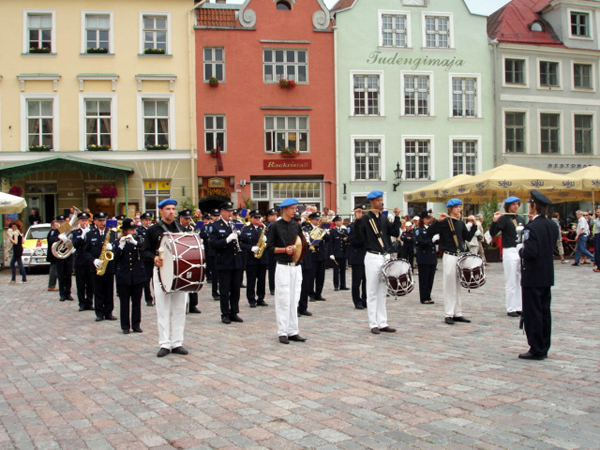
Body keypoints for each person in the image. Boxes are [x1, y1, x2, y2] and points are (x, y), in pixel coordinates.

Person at [141, 199, 189, 357]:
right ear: (161, 211)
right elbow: (145, 251)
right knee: (163, 309)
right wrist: (154, 258)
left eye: (173, 209)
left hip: (179, 273)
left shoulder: (181, 228)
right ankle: (164, 343)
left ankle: (177, 342)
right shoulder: (153, 230)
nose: (171, 212)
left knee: (180, 308)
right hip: (161, 272)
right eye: (168, 209)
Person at [518, 190, 559, 360]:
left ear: (534, 206)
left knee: (533, 312)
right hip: (546, 275)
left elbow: (531, 252)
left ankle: (536, 347)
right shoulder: (552, 225)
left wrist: (521, 250)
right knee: (544, 312)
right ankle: (544, 345)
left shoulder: (532, 227)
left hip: (532, 275)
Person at [355, 191, 401, 334]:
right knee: (372, 291)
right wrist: (357, 221)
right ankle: (373, 323)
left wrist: (397, 217)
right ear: (372, 202)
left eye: (381, 200)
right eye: (378, 200)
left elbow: (394, 233)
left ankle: (382, 322)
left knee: (382, 290)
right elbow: (358, 239)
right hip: (372, 256)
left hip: (384, 256)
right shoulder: (365, 218)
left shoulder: (383, 218)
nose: (381, 203)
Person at [427, 199, 477, 325]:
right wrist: (436, 222)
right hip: (449, 255)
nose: (459, 209)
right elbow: (429, 232)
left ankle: (457, 313)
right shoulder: (445, 222)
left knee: (458, 285)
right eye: (456, 207)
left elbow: (468, 237)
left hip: (459, 256)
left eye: (460, 207)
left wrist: (474, 224)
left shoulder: (460, 223)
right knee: (449, 285)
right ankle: (448, 313)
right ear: (450, 209)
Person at [266, 198, 307, 344]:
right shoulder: (275, 226)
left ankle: (293, 330)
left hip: (296, 266)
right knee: (283, 299)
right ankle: (282, 331)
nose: (294, 211)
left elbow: (300, 244)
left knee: (294, 299)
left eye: (295, 208)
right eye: (292, 208)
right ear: (284, 209)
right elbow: (269, 248)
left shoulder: (296, 225)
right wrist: (284, 249)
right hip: (283, 265)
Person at [490, 196, 526, 317]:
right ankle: (510, 307)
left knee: (520, 280)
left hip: (520, 249)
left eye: (517, 204)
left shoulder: (520, 218)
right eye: (513, 204)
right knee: (511, 280)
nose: (516, 206)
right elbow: (493, 233)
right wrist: (495, 221)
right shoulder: (504, 219)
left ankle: (519, 306)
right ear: (508, 206)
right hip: (509, 250)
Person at [210, 201, 244, 324]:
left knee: (236, 289)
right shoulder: (215, 226)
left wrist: (240, 235)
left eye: (231, 211)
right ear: (222, 212)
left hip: (236, 261)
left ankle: (234, 312)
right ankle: (225, 314)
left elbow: (241, 241)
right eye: (228, 211)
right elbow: (213, 244)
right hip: (224, 262)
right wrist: (227, 239)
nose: (231, 213)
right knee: (224, 290)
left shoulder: (234, 224)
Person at [83, 212, 118, 321]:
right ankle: (99, 313)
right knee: (98, 290)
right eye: (100, 220)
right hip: (97, 266)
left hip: (109, 266)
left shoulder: (112, 233)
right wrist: (93, 260)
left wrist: (112, 247)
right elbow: (85, 252)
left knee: (109, 290)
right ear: (95, 222)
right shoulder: (90, 234)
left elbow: (117, 249)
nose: (102, 222)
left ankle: (109, 312)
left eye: (104, 220)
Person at [114, 218, 147, 334]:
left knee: (137, 302)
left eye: (133, 229)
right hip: (124, 276)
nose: (132, 232)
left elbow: (145, 251)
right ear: (124, 230)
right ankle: (125, 326)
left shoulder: (139, 239)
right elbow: (114, 258)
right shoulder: (118, 241)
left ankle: (136, 324)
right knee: (124, 302)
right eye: (129, 230)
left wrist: (136, 243)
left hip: (137, 275)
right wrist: (120, 246)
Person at [240, 209, 269, 308]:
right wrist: (250, 248)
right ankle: (251, 299)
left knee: (262, 280)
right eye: (255, 217)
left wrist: (267, 240)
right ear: (251, 218)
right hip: (251, 258)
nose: (257, 219)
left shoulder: (264, 228)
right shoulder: (245, 229)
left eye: (259, 217)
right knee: (251, 280)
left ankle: (261, 298)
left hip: (262, 258)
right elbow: (241, 244)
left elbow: (269, 243)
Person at [178, 209, 201, 314]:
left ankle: (193, 304)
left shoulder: (191, 228)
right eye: (186, 218)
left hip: (192, 256)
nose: (188, 221)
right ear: (181, 218)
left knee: (193, 279)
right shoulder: (177, 228)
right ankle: (182, 305)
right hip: (181, 257)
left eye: (189, 218)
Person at [71, 212, 94, 311]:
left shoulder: (92, 231)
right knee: (80, 283)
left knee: (91, 283)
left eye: (86, 220)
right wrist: (82, 236)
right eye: (82, 220)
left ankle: (89, 302)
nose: (84, 222)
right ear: (79, 221)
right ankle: (82, 303)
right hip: (80, 259)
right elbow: (75, 244)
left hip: (89, 260)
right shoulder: (75, 233)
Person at [48, 215, 74, 302]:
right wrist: (58, 237)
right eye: (60, 222)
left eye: (63, 222)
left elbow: (74, 239)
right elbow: (50, 239)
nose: (61, 223)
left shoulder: (69, 231)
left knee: (68, 275)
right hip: (59, 256)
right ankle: (62, 294)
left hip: (68, 255)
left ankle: (68, 293)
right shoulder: (54, 231)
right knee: (61, 275)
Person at [305, 212, 329, 301]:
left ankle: (318, 294)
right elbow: (308, 239)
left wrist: (325, 233)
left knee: (320, 276)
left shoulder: (322, 228)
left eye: (318, 219)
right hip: (312, 255)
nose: (317, 221)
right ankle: (311, 294)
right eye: (316, 219)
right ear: (311, 219)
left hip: (321, 254)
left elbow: (327, 240)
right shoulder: (307, 228)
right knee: (311, 276)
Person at [415, 211, 436, 305]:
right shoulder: (419, 230)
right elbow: (420, 242)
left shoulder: (431, 229)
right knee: (424, 278)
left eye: (429, 218)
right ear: (422, 219)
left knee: (430, 278)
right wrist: (431, 240)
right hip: (424, 256)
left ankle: (428, 295)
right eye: (427, 218)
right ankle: (424, 297)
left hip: (431, 256)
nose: (429, 220)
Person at [348, 205, 367, 310]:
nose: (362, 215)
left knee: (367, 281)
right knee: (357, 282)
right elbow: (354, 241)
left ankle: (365, 300)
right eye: (360, 213)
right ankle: (357, 301)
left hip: (367, 256)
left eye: (363, 213)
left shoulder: (367, 225)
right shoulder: (352, 226)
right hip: (357, 256)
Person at [136, 212, 155, 306]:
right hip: (145, 258)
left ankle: (157, 297)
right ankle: (148, 298)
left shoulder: (153, 230)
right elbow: (140, 244)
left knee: (156, 280)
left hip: (154, 257)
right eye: (146, 220)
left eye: (149, 220)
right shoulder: (139, 231)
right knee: (146, 280)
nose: (148, 222)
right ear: (142, 221)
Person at [329, 216, 349, 291]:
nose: (340, 222)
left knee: (343, 270)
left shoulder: (344, 231)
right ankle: (336, 285)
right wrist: (331, 253)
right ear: (335, 222)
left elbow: (346, 241)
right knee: (336, 270)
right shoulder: (332, 232)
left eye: (341, 221)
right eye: (339, 221)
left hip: (343, 253)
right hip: (336, 253)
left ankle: (343, 285)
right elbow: (330, 244)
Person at [266, 208, 278, 295]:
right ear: (268, 217)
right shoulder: (267, 225)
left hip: (279, 248)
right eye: (272, 215)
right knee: (272, 270)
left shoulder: (278, 225)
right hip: (270, 250)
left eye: (275, 215)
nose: (274, 217)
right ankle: (272, 287)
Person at [46, 220, 59, 292]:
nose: (58, 227)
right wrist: (58, 238)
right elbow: (51, 239)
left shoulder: (55, 232)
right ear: (53, 226)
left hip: (55, 254)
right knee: (54, 271)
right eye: (57, 226)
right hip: (53, 254)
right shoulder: (52, 232)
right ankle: (51, 285)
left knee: (55, 270)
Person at [592, 207, 600, 273]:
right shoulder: (597, 219)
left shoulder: (597, 220)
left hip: (599, 235)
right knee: (596, 251)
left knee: (598, 250)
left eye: (599, 212)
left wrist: (594, 220)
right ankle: (597, 265)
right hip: (596, 235)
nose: (597, 213)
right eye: (597, 212)